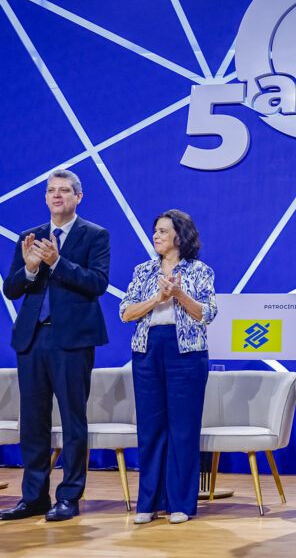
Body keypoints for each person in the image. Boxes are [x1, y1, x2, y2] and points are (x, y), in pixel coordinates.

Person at [1, 169, 110, 522]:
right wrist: (31, 269)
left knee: (73, 420)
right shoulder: (29, 236)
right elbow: (12, 289)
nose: (57, 195)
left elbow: (97, 283)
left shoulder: (95, 235)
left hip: (72, 340)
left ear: (78, 197)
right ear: (46, 198)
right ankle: (33, 497)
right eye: (51, 191)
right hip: (32, 338)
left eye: (64, 190)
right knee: (32, 422)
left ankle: (69, 496)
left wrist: (57, 263)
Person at [119, 210, 217, 524]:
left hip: (187, 353)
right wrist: (157, 299)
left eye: (163, 231)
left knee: (183, 430)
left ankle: (180, 504)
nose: (156, 236)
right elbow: (126, 312)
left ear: (180, 236)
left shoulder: (200, 270)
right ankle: (148, 502)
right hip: (147, 351)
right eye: (155, 231)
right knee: (150, 428)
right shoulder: (143, 270)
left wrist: (178, 294)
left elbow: (208, 313)